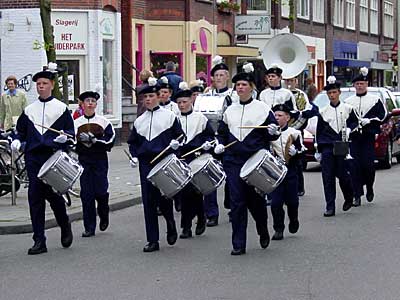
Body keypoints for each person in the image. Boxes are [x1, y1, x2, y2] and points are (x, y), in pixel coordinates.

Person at [215, 63, 280, 255]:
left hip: (255, 163)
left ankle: (262, 229)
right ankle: (238, 243)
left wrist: (274, 132)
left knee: (256, 202)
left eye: (244, 84)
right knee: (237, 203)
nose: (240, 88)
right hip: (234, 162)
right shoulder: (230, 111)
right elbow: (222, 134)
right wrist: (219, 144)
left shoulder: (262, 109)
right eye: (238, 85)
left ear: (252, 87)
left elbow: (272, 134)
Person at [11, 63, 74, 255]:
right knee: (35, 200)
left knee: (55, 198)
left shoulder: (61, 108)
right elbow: (20, 132)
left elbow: (71, 133)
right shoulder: (30, 110)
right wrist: (16, 141)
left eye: (44, 83)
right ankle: (39, 240)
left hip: (52, 157)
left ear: (52, 85)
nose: (41, 86)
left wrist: (65, 138)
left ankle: (65, 225)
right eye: (38, 84)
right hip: (33, 158)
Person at [127, 77, 184, 253]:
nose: (148, 99)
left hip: (164, 161)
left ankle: (170, 223)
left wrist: (177, 145)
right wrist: (134, 156)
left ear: (158, 97)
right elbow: (133, 143)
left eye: (152, 96)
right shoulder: (139, 121)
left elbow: (181, 137)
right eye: (146, 97)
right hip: (146, 163)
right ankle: (152, 239)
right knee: (149, 201)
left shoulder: (170, 117)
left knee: (164, 198)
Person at [175, 82, 215, 238]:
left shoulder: (200, 118)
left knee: (195, 191)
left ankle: (193, 222)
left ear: (191, 101)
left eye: (184, 102)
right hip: (180, 159)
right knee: (185, 193)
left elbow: (210, 137)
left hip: (196, 158)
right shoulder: (174, 119)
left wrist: (207, 144)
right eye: (179, 103)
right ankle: (193, 221)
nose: (182, 105)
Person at [315, 76, 358, 217]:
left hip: (342, 145)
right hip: (327, 146)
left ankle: (348, 196)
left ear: (339, 93)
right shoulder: (323, 111)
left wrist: (350, 129)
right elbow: (319, 132)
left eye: (334, 93)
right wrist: (319, 149)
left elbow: (354, 122)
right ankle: (330, 206)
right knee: (327, 177)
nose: (332, 95)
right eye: (329, 93)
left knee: (343, 175)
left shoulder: (348, 108)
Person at [74, 91, 115, 237]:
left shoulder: (104, 122)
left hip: (99, 160)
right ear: (82, 104)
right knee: (86, 194)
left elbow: (110, 141)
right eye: (87, 101)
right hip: (84, 160)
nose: (90, 103)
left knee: (101, 191)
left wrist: (95, 141)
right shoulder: (76, 123)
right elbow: (72, 142)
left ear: (96, 104)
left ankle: (104, 213)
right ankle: (89, 227)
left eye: (92, 101)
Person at [202, 55, 237, 227]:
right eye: (216, 76)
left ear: (227, 77)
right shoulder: (206, 95)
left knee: (231, 175)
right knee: (209, 176)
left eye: (222, 75)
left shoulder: (235, 95)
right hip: (211, 139)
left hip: (228, 139)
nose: (219, 78)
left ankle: (232, 206)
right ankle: (211, 213)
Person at [345, 67, 387, 207]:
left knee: (368, 166)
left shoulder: (375, 100)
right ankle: (357, 194)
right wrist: (351, 127)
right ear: (354, 86)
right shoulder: (349, 102)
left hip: (368, 137)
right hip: (355, 138)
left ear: (366, 84)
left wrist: (370, 120)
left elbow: (383, 115)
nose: (359, 86)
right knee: (354, 166)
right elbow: (345, 118)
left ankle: (369, 186)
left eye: (362, 84)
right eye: (357, 84)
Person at [269, 104, 303, 240]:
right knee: (275, 203)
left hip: (290, 171)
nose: (277, 118)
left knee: (292, 202)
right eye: (275, 115)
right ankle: (278, 228)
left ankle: (293, 219)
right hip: (275, 172)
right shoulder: (269, 133)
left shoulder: (294, 133)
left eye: (280, 115)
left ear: (288, 117)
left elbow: (302, 152)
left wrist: (296, 153)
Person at [285, 76, 318, 196]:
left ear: (296, 82)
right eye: (287, 80)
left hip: (296, 130)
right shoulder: (281, 94)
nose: (289, 83)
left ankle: (299, 187)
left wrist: (300, 113)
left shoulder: (301, 95)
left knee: (297, 160)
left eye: (291, 80)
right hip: (281, 130)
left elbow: (312, 110)